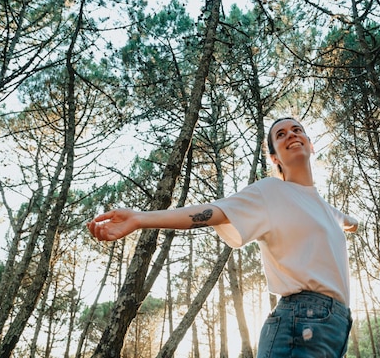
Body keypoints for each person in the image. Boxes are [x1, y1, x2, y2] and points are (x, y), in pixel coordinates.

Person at [87, 117, 359, 357]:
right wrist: (140, 219)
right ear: (275, 157)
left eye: (297, 130)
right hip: (301, 321)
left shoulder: (328, 210)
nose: (291, 135)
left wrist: (352, 223)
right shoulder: (271, 192)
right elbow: (213, 212)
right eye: (281, 134)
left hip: (337, 326)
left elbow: (349, 222)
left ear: (311, 145)